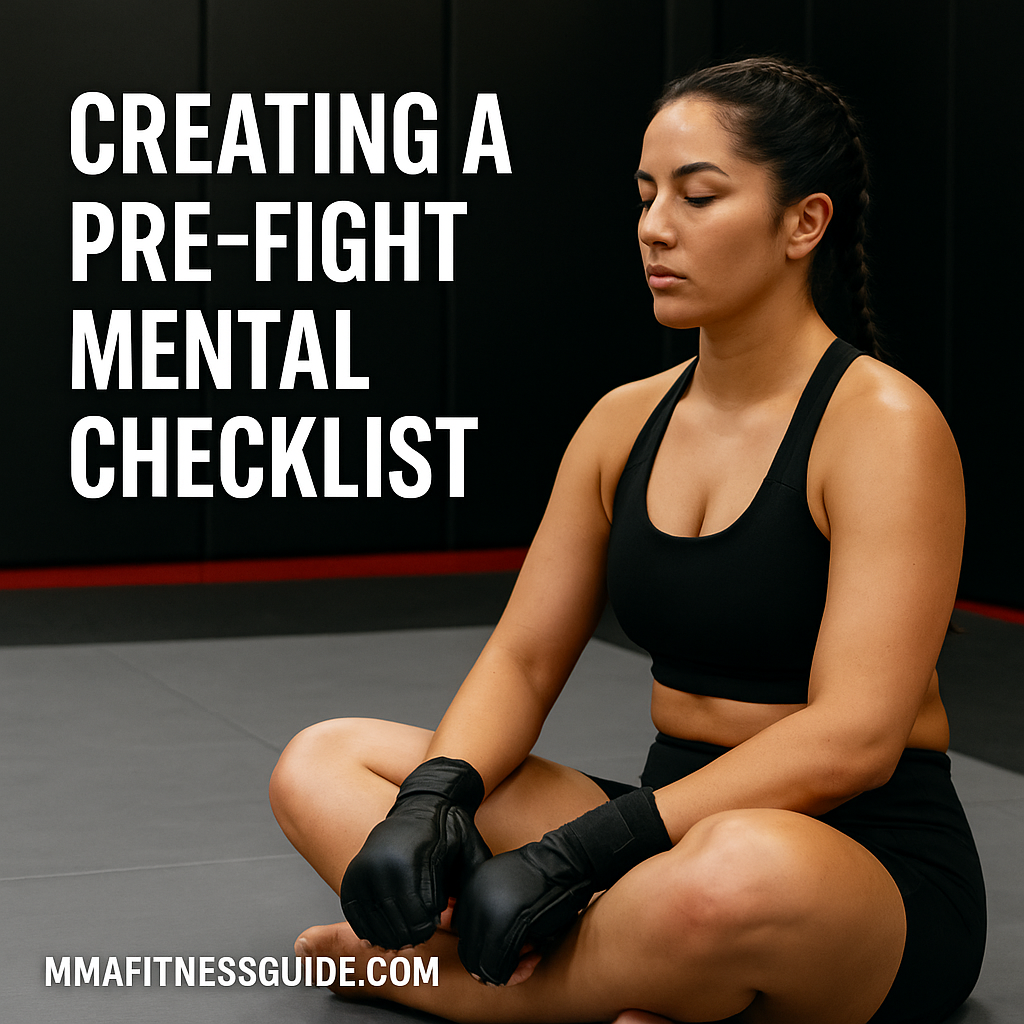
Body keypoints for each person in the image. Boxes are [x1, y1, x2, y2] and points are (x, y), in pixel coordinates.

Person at [269, 57, 986, 1024]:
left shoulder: (885, 426)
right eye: (646, 195)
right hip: (654, 834)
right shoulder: (621, 423)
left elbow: (853, 739)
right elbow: (523, 661)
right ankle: (653, 977)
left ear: (802, 224)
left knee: (731, 874)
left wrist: (575, 857)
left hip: (851, 863)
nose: (655, 226)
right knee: (325, 760)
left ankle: (439, 978)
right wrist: (432, 801)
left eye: (698, 196)